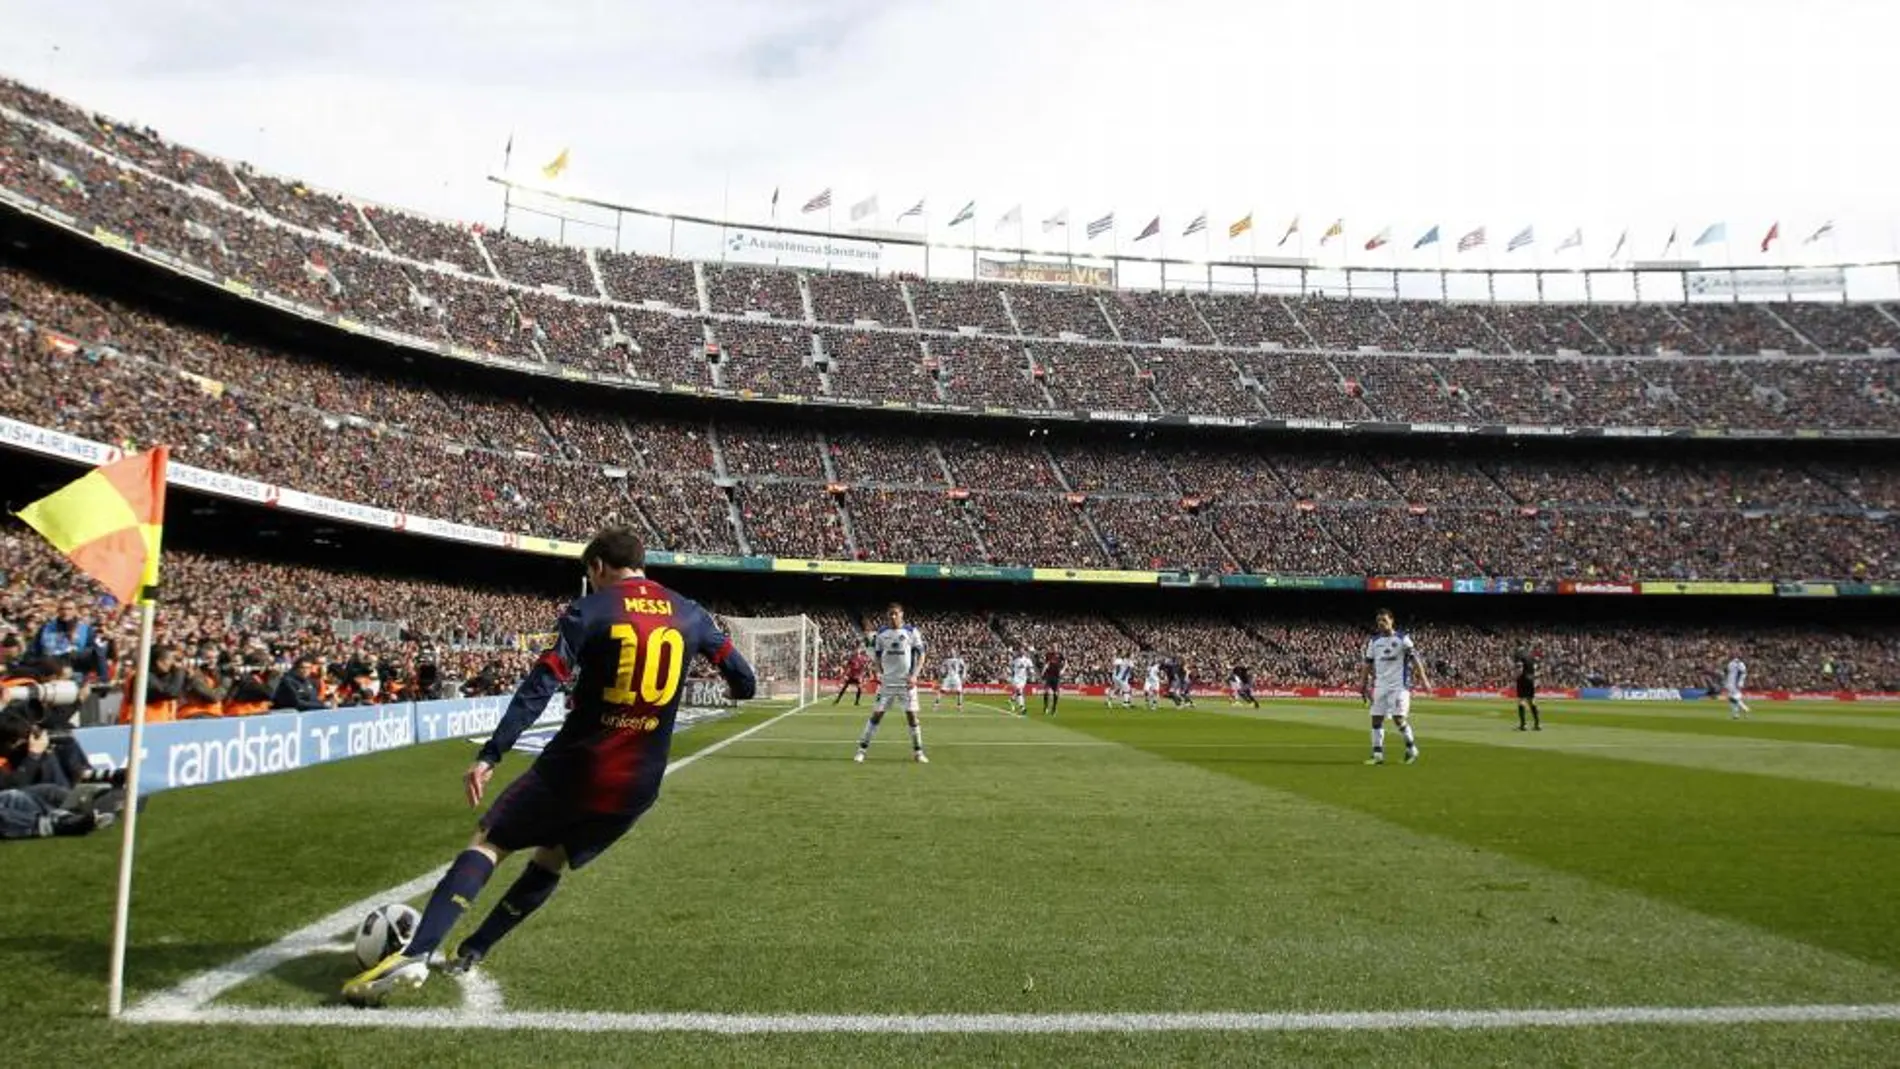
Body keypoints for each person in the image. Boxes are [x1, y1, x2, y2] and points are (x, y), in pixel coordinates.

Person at [342, 526, 756, 1006]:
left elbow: (541, 686)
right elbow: (742, 678)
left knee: (490, 840)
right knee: (551, 856)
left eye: (590, 573)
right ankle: (475, 948)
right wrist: (735, 691)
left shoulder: (592, 608)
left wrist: (492, 753)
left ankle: (418, 951)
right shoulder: (691, 612)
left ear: (598, 566)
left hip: (578, 767)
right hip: (637, 786)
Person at [853, 603, 927, 763]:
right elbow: (877, 658)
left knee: (912, 717)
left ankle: (918, 752)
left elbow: (921, 656)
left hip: (906, 683)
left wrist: (914, 676)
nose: (893, 617)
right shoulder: (881, 634)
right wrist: (880, 673)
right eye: (890, 614)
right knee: (876, 715)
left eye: (895, 614)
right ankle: (861, 750)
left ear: (902, 614)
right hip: (887, 682)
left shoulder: (911, 632)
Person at [1362, 609, 1427, 765]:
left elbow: (1415, 658)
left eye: (1384, 620)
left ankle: (1411, 748)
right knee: (1376, 719)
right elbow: (1368, 663)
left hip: (1399, 686)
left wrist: (1424, 678)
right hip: (1380, 686)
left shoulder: (1403, 639)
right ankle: (1377, 755)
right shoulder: (1374, 641)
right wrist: (1363, 683)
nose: (1381, 623)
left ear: (1392, 620)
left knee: (1398, 719)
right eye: (1378, 621)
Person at [1513, 647, 1541, 731]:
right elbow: (1537, 668)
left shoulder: (1519, 655)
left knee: (1521, 700)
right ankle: (1537, 724)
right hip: (1531, 679)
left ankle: (1523, 724)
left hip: (1522, 679)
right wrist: (1535, 679)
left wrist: (1516, 677)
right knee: (1532, 700)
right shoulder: (1531, 656)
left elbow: (1519, 668)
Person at [1008, 648, 1034, 716]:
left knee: (1019, 693)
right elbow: (1010, 665)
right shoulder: (1015, 660)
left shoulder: (1027, 660)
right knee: (1019, 692)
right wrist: (1011, 672)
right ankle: (1022, 708)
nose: (1021, 652)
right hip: (1016, 678)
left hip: (1023, 679)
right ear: (1019, 652)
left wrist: (1032, 675)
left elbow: (1031, 668)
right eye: (1020, 651)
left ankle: (1011, 700)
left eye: (1023, 651)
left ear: (1024, 652)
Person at [1040, 646, 1065, 716]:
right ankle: (1045, 707)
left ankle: (1054, 708)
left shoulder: (1060, 654)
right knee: (1046, 691)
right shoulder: (1048, 655)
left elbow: (1066, 663)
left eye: (1055, 647)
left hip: (1056, 676)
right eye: (1053, 647)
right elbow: (1046, 664)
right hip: (1049, 676)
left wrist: (1063, 670)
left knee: (1056, 693)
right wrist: (1043, 672)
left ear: (1057, 648)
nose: (1054, 648)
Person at [1725, 653, 1750, 720]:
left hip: (1735, 683)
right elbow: (1729, 673)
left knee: (1733, 698)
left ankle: (1745, 708)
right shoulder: (1730, 663)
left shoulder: (1739, 663)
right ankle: (1736, 714)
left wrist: (1740, 682)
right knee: (1732, 699)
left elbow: (1743, 673)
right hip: (1730, 683)